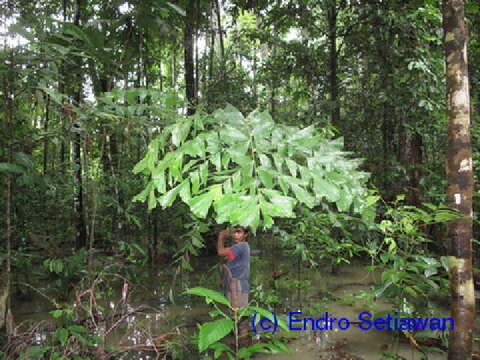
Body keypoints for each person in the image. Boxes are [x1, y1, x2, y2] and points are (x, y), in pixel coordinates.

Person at [217, 226, 250, 339]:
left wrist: (221, 236)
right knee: (235, 316)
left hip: (238, 287)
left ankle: (243, 343)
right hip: (234, 286)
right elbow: (228, 263)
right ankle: (238, 341)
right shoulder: (238, 248)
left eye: (239, 232)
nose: (235, 235)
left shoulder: (241, 246)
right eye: (234, 232)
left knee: (241, 317)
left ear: (245, 235)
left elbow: (220, 252)